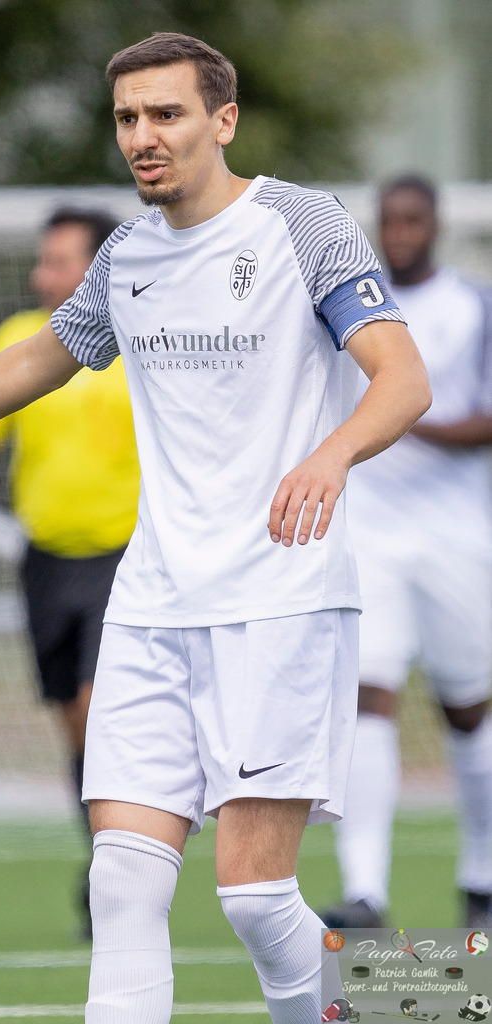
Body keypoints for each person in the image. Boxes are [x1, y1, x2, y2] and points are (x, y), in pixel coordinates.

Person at [0, 33, 432, 1024]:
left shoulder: (298, 224)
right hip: (149, 605)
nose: (142, 137)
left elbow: (400, 378)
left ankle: (423, 991)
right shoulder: (127, 254)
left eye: (166, 114)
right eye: (126, 119)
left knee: (250, 895)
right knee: (122, 883)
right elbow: (40, 361)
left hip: (278, 600)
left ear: (221, 120)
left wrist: (329, 454)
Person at [0, 207, 140, 939]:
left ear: (100, 267)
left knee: (105, 714)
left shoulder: (142, 337)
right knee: (78, 725)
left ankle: (123, 878)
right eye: (41, 261)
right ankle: (104, 862)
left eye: (59, 261)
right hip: (46, 562)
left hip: (131, 559)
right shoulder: (18, 340)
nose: (42, 275)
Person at [323, 175, 492, 930]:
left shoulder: (472, 306)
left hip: (458, 532)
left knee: (467, 710)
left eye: (411, 219)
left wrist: (397, 413)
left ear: (434, 225)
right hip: (370, 533)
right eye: (386, 220)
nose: (398, 232)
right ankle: (365, 894)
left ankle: (481, 876)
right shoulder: (351, 310)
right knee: (368, 694)